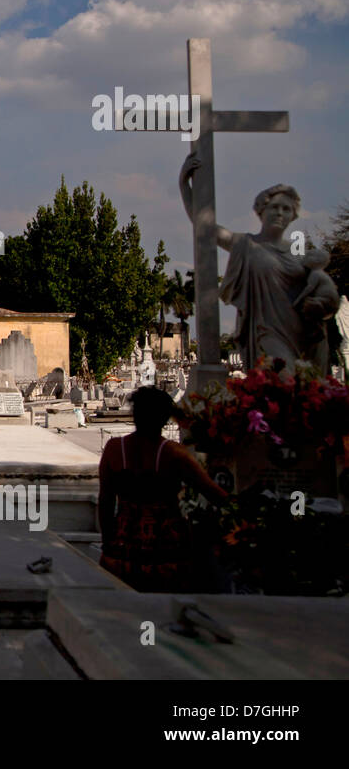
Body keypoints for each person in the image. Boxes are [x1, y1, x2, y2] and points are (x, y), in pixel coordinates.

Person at [179, 157, 339, 371]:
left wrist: (322, 303)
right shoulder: (245, 244)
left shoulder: (297, 251)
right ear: (261, 209)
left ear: (293, 216)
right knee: (282, 376)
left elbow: (324, 290)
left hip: (302, 334)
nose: (280, 213)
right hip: (265, 331)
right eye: (274, 207)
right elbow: (205, 227)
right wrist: (184, 185)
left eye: (286, 209)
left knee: (299, 388)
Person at [98, 387, 228, 592]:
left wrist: (108, 543)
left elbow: (105, 501)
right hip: (166, 548)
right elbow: (214, 493)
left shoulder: (114, 449)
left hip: (123, 546)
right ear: (165, 418)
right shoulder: (173, 454)